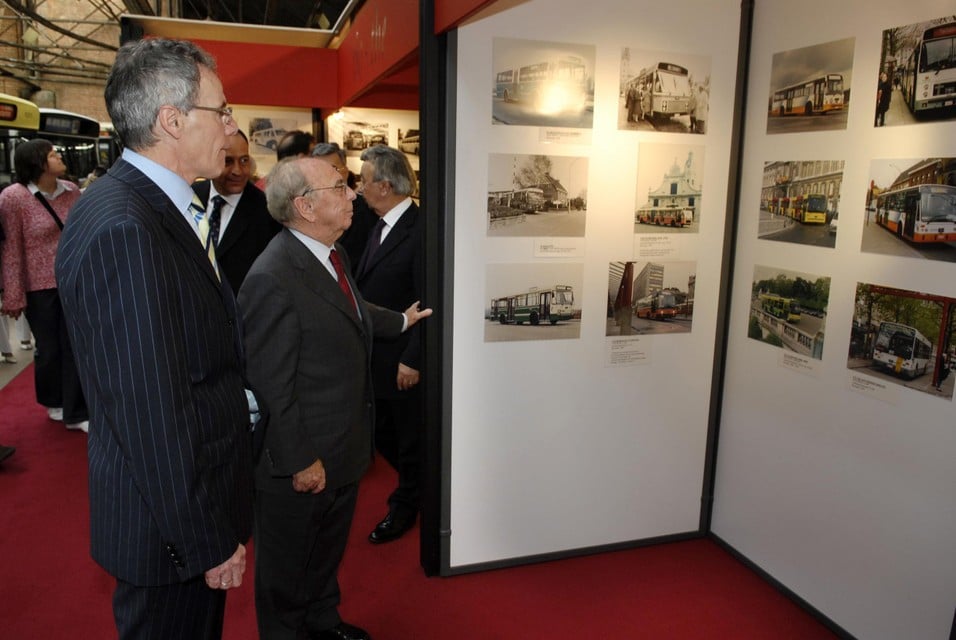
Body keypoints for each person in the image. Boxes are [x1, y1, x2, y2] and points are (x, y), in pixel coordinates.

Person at [55, 38, 258, 640]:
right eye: (220, 111)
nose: (231, 126)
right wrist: (205, 541)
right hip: (172, 530)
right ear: (172, 121)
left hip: (179, 506)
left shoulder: (151, 206)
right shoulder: (127, 226)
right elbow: (149, 412)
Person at [239, 156, 431, 640]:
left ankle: (323, 623)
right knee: (286, 572)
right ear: (305, 206)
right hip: (302, 459)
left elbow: (352, 308)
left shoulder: (330, 253)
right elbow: (270, 384)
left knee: (324, 553)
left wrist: (401, 322)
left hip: (341, 447)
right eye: (340, 188)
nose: (352, 196)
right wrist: (301, 459)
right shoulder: (272, 277)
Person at [354, 145, 425, 544]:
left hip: (402, 360)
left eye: (364, 182)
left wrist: (414, 359)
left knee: (409, 438)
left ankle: (408, 503)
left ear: (383, 185)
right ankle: (416, 491)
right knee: (384, 434)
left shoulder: (420, 229)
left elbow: (429, 300)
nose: (359, 190)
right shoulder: (376, 226)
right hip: (376, 356)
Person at [0, 139, 88, 432]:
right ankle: (55, 401)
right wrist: (13, 294)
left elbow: (81, 233)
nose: (59, 155)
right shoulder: (14, 198)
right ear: (37, 162)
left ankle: (76, 409)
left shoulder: (71, 191)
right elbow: (11, 248)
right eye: (52, 154)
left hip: (73, 280)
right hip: (39, 286)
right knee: (49, 348)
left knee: (76, 345)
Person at [193, 129, 282, 292]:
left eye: (244, 160)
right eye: (228, 161)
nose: (238, 171)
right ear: (210, 159)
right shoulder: (190, 196)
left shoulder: (267, 212)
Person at [311, 142, 378, 269]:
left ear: (345, 172)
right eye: (318, 170)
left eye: (332, 169)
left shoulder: (367, 210)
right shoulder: (306, 210)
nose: (325, 176)